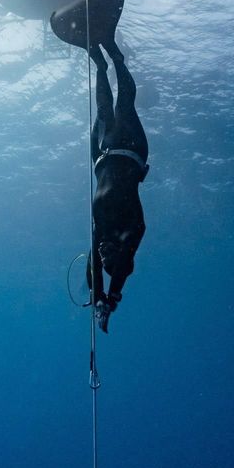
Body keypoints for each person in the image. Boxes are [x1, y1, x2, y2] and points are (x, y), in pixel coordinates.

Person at [86, 38, 149, 333]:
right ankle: (115, 54)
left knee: (103, 109)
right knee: (124, 104)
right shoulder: (132, 228)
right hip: (132, 149)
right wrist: (113, 296)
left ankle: (99, 62)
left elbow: (93, 270)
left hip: (103, 153)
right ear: (122, 252)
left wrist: (99, 298)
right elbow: (121, 266)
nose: (102, 253)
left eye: (103, 257)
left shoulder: (100, 234)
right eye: (108, 256)